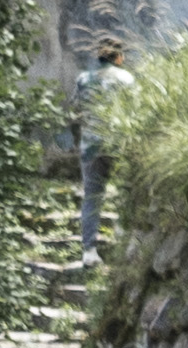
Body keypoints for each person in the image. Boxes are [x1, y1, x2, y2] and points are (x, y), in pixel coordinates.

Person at [71, 38, 137, 258]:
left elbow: (76, 112)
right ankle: (122, 236)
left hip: (90, 145)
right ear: (119, 57)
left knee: (92, 196)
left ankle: (89, 251)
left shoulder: (83, 79)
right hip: (118, 143)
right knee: (127, 189)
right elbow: (135, 112)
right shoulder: (126, 79)